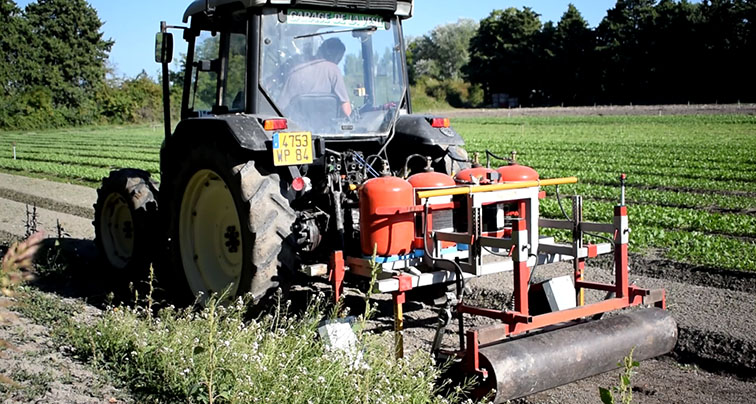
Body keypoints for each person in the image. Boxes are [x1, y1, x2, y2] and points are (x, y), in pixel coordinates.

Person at [278, 37, 352, 118]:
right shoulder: (333, 70)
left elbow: (280, 109)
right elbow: (346, 110)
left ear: (320, 49)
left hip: (297, 126)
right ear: (337, 56)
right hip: (328, 128)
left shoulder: (295, 72)